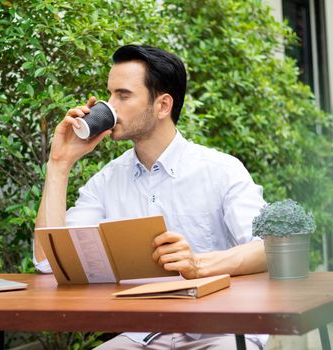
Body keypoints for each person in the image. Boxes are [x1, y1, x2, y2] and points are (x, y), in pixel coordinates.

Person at [33, 45, 267, 349]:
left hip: (219, 330)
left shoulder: (221, 171)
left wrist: (199, 263)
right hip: (143, 336)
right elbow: (49, 263)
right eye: (109, 94)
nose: (108, 105)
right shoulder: (106, 181)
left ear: (162, 106)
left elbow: (269, 248)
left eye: (123, 95)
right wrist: (59, 164)